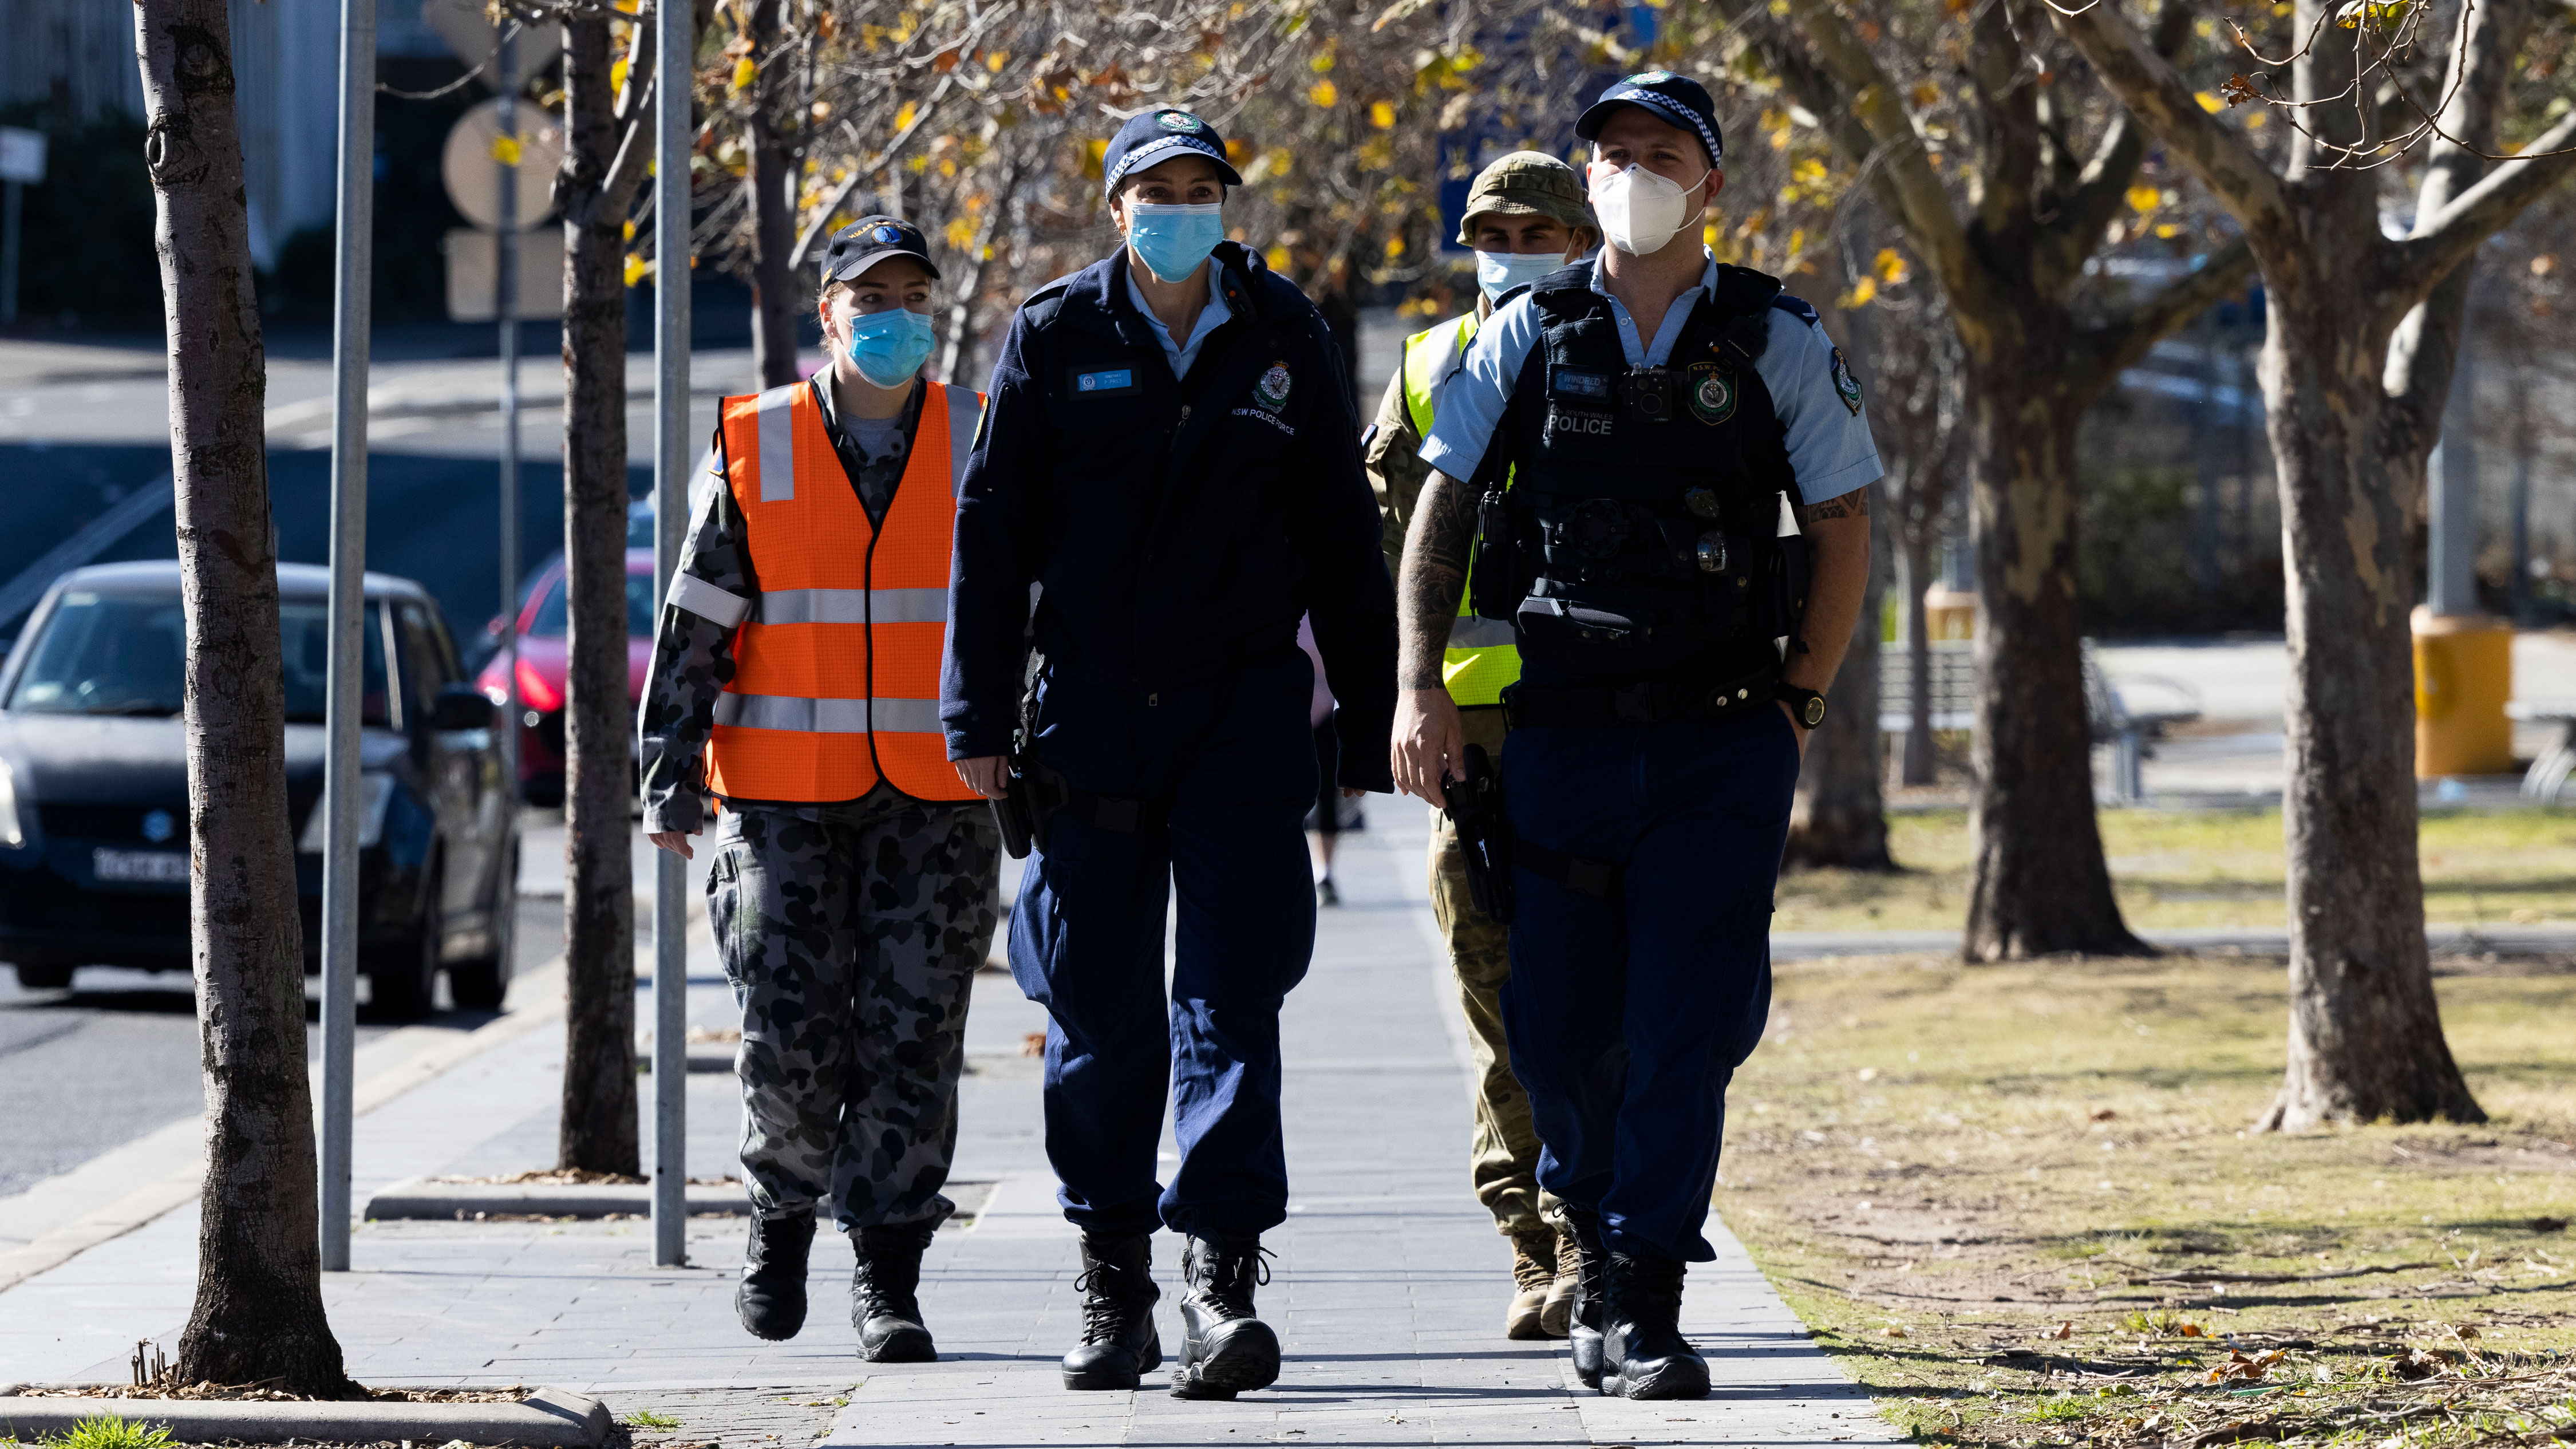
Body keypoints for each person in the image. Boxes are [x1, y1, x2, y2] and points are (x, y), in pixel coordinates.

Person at [1391, 72, 1878, 1401]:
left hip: (1723, 738)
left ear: (1710, 183)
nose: (1630, 173)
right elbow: (1442, 511)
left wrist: (1801, 698)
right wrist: (1418, 689)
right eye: (1609, 153)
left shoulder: (1770, 337)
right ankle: (1589, 1250)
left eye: (1660, 154)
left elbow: (1842, 522)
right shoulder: (1530, 335)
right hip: (1562, 741)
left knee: (1686, 1018)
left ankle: (1646, 1294)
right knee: (1557, 1022)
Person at [942, 108, 1397, 1399]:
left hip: (1242, 713)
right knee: (1095, 1008)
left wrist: (1365, 721)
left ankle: (1222, 1274)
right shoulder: (1053, 333)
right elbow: (992, 538)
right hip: (1087, 717)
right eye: (1160, 189)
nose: (1184, 207)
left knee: (1232, 997)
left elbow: (1339, 545)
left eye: (1205, 188)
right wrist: (973, 719)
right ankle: (1113, 1277)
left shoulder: (1285, 334)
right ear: (1118, 205)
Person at [637, 217, 1002, 1365]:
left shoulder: (973, 434)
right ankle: (778, 1222)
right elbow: (699, 615)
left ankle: (887, 1280)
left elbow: (1014, 617)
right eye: (870, 295)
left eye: (913, 294)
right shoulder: (758, 441)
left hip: (935, 802)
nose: (895, 314)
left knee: (913, 1042)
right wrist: (671, 769)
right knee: (790, 1040)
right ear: (828, 315)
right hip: (784, 803)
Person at [1362, 149, 1599, 1343]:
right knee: (1495, 990)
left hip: (1607, 721)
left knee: (1597, 992)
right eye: (1495, 230)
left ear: (1581, 240)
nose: (1513, 249)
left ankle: (1598, 1233)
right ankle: (1535, 1244)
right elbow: (1389, 555)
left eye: (1539, 231)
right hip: (1480, 732)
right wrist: (1412, 702)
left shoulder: (1630, 356)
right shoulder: (1428, 366)